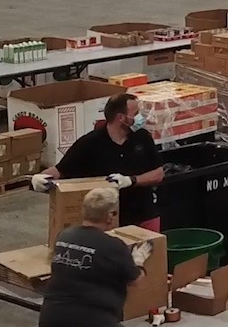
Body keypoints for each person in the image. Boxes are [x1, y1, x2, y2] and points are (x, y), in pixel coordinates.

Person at [39, 186, 142, 327]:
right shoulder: (114, 246)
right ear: (110, 216)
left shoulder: (64, 236)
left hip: (52, 321)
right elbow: (136, 281)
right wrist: (138, 262)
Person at [34, 93, 165, 231]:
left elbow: (158, 174)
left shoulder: (142, 137)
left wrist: (131, 180)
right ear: (121, 118)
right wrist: (39, 178)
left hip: (144, 216)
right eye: (136, 113)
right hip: (110, 221)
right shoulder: (90, 143)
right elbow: (60, 170)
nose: (141, 118)